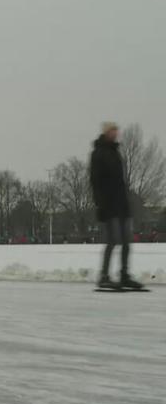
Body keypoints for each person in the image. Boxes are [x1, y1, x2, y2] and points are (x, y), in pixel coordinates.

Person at [90, 121, 143, 290]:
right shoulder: (98, 153)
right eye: (112, 131)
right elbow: (95, 181)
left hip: (121, 203)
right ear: (106, 133)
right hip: (109, 204)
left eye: (116, 131)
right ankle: (104, 276)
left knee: (127, 241)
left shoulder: (115, 152)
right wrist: (101, 205)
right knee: (113, 240)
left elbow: (120, 181)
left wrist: (126, 201)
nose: (115, 133)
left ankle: (124, 274)